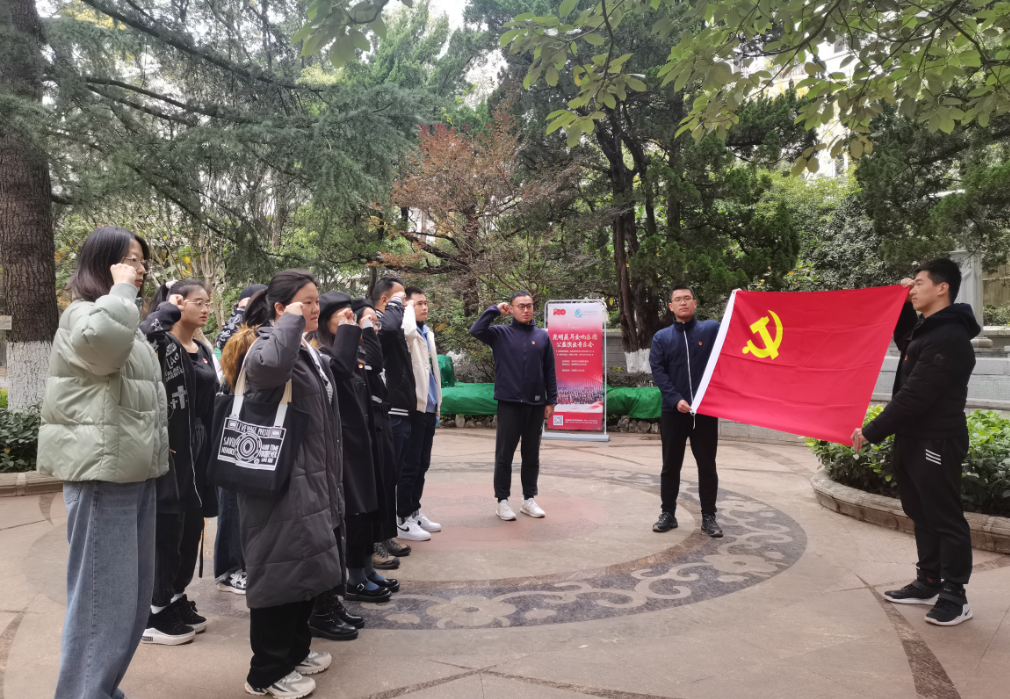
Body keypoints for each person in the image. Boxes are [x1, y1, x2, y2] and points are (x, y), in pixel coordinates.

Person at [38, 226, 168, 699]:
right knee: (102, 606)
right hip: (102, 477)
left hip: (133, 473)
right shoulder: (84, 315)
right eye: (130, 259)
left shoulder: (120, 317)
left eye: (142, 261)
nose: (140, 268)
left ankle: (101, 690)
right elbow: (103, 347)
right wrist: (123, 292)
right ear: (102, 264)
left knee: (129, 604)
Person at [219, 269, 342, 698]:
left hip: (309, 477)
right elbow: (269, 369)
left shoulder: (303, 346)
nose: (315, 308)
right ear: (280, 308)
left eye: (316, 300)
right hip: (278, 481)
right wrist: (290, 320)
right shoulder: (265, 344)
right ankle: (266, 672)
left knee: (304, 569)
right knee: (278, 571)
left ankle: (295, 650)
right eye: (306, 302)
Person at [852, 259, 979, 627]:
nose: (914, 289)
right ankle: (929, 581)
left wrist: (872, 431)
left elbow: (916, 395)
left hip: (937, 439)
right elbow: (905, 336)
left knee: (944, 516)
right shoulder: (927, 331)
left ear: (942, 288)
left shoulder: (950, 337)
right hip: (912, 437)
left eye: (920, 283)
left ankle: (955, 595)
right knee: (919, 511)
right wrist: (901, 299)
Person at [140, 279, 220, 646]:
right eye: (197, 302)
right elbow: (145, 337)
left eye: (208, 302)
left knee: (192, 524)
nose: (205, 308)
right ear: (178, 302)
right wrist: (164, 313)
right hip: (173, 444)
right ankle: (153, 611)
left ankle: (174, 595)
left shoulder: (201, 347)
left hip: (199, 442)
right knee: (168, 527)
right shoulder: (160, 343)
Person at [309, 292, 396, 614]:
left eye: (352, 315)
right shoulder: (323, 352)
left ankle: (366, 569)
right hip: (343, 444)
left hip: (363, 438)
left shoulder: (350, 347)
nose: (350, 321)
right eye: (343, 316)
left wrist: (366, 329)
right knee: (355, 513)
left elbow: (375, 364)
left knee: (369, 508)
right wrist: (350, 331)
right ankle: (354, 577)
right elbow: (340, 372)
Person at [469, 290, 557, 520]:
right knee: (504, 455)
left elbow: (549, 370)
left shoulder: (542, 336)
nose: (526, 310)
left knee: (531, 454)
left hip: (536, 404)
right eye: (521, 306)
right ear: (512, 308)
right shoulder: (500, 333)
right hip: (509, 404)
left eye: (529, 305)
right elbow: (476, 330)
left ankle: (529, 499)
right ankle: (503, 501)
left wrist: (551, 400)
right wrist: (494, 311)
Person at [649, 285, 724, 538]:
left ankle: (709, 517)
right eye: (677, 300)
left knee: (707, 465)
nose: (683, 303)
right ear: (670, 306)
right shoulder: (662, 337)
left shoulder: (711, 330)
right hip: (673, 412)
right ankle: (668, 514)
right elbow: (659, 372)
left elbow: (732, 341)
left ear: (695, 303)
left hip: (705, 411)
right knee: (670, 465)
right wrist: (675, 400)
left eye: (687, 298)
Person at [213, 284, 265, 597]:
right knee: (231, 502)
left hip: (252, 425)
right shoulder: (241, 337)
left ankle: (247, 563)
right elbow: (227, 356)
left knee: (246, 504)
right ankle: (230, 569)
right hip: (236, 425)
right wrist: (241, 311)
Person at [353, 296, 412, 563]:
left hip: (382, 418)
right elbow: (374, 365)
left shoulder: (373, 347)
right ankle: (373, 541)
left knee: (388, 478)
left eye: (375, 322)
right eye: (369, 321)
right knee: (373, 484)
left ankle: (386, 534)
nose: (374, 326)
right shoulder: (353, 352)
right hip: (366, 423)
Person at [372, 277, 427, 541]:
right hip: (390, 413)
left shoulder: (395, 325)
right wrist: (396, 306)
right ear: (385, 300)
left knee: (401, 472)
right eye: (402, 299)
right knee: (387, 477)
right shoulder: (380, 323)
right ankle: (384, 534)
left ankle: (391, 530)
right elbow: (389, 329)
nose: (407, 304)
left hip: (403, 411)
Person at [399, 286, 443, 536]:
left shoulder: (427, 333)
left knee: (422, 465)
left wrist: (437, 405)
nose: (425, 307)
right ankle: (402, 517)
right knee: (410, 465)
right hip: (414, 409)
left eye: (426, 303)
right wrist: (405, 308)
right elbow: (406, 330)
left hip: (429, 408)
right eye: (418, 303)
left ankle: (414, 510)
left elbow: (433, 372)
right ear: (406, 307)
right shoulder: (407, 332)